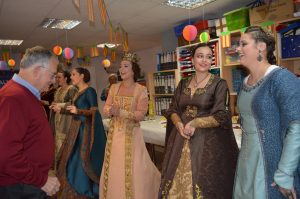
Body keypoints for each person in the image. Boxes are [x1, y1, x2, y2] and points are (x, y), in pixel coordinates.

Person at [159, 43, 239, 199]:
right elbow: (173, 109)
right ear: (193, 60)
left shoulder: (219, 84)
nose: (204, 60)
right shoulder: (183, 83)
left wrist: (195, 123)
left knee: (203, 183)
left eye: (208, 57)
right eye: (200, 56)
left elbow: (222, 115)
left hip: (207, 143)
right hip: (180, 138)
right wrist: (179, 124)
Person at [233, 26, 300, 199]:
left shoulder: (281, 79)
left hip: (273, 162)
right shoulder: (244, 82)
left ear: (260, 46)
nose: (237, 49)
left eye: (243, 44)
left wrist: (284, 173)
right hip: (247, 160)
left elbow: (296, 127)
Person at [0, 46, 60, 198]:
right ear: (37, 70)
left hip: (26, 182)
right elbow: (6, 153)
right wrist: (41, 181)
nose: (53, 81)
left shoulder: (23, 94)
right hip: (20, 186)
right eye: (52, 75)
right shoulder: (14, 97)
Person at [99, 52, 161, 199]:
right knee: (114, 167)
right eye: (120, 66)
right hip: (114, 134)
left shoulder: (141, 90)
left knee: (134, 167)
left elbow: (140, 115)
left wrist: (120, 112)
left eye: (125, 66)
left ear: (134, 70)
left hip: (131, 135)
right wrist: (109, 111)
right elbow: (106, 108)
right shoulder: (113, 88)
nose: (121, 69)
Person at [54, 67, 106, 198]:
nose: (71, 77)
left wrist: (79, 112)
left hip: (85, 131)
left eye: (73, 74)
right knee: (71, 158)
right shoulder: (78, 92)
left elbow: (94, 112)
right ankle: (73, 188)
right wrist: (62, 110)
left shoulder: (90, 91)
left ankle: (85, 189)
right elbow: (75, 109)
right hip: (76, 129)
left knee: (82, 160)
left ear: (82, 76)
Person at [49, 68, 77, 170]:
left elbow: (75, 104)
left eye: (59, 77)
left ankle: (67, 171)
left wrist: (59, 105)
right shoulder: (58, 90)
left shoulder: (72, 89)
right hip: (57, 119)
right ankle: (59, 171)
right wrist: (51, 105)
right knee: (58, 145)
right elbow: (56, 103)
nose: (57, 79)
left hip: (67, 120)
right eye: (56, 77)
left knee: (65, 145)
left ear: (66, 78)